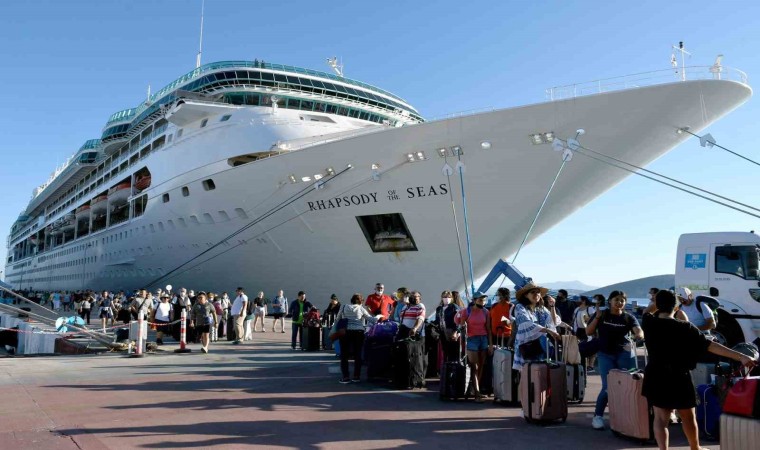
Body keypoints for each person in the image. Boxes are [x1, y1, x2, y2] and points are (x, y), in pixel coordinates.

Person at [642, 290, 758, 450]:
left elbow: (647, 311)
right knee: (688, 417)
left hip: (655, 374)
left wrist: (656, 303)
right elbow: (711, 346)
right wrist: (741, 357)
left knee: (661, 418)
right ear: (676, 307)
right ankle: (695, 448)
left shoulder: (648, 323)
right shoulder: (685, 327)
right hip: (679, 375)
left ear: (658, 305)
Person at [585, 290, 644, 430]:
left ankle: (626, 415)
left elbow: (639, 331)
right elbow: (588, 332)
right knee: (607, 386)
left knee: (629, 384)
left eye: (622, 300)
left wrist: (638, 336)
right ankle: (598, 416)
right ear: (610, 301)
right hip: (605, 354)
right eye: (616, 299)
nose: (619, 302)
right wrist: (597, 318)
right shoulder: (602, 314)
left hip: (624, 353)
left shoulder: (628, 317)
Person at [512, 282, 561, 372]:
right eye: (533, 292)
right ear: (526, 295)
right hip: (527, 346)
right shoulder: (520, 307)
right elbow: (526, 323)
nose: (536, 294)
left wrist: (553, 306)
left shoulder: (541, 308)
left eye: (538, 292)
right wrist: (549, 331)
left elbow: (554, 322)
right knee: (526, 374)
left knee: (538, 374)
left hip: (540, 346)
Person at [455, 291, 494, 402]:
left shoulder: (486, 312)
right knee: (474, 366)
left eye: (484, 300)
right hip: (472, 340)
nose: (483, 302)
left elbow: (488, 328)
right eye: (481, 300)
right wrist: (457, 333)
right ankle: (477, 393)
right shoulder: (466, 312)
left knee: (481, 366)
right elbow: (461, 326)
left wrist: (490, 344)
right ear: (475, 300)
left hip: (483, 339)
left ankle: (475, 389)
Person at [335, 293, 376, 383]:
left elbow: (337, 318)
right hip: (359, 332)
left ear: (352, 300)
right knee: (358, 355)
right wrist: (380, 316)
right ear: (361, 301)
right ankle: (356, 376)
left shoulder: (344, 306)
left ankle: (345, 377)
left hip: (345, 332)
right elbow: (372, 320)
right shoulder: (361, 308)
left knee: (344, 355)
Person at [436, 290, 462, 362]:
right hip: (442, 331)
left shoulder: (454, 307)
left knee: (453, 350)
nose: (446, 298)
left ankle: (453, 367)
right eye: (444, 297)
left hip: (451, 331)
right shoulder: (439, 309)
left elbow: (458, 320)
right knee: (445, 350)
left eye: (448, 297)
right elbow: (437, 320)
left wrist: (456, 331)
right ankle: (445, 366)